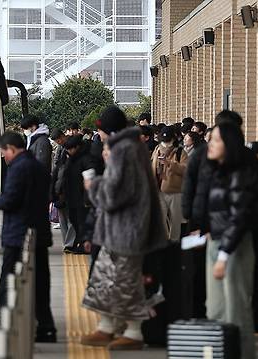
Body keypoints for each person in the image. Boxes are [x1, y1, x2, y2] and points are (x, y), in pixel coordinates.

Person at [80, 105, 168, 350]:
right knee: (106, 278)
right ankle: (107, 326)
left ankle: (133, 331)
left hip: (127, 231)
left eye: (101, 131)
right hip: (120, 230)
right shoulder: (129, 147)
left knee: (125, 281)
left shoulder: (123, 151)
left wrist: (92, 185)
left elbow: (114, 194)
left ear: (108, 130)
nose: (99, 136)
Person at [0, 132, 57, 343]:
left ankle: (8, 327)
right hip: (40, 233)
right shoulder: (38, 167)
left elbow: (10, 201)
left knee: (8, 282)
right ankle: (46, 326)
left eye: (4, 152)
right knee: (40, 282)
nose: (3, 156)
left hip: (18, 234)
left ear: (12, 149)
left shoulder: (18, 169)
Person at [206, 121, 258, 359]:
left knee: (236, 312)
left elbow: (239, 216)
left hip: (234, 248)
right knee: (217, 309)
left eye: (216, 140)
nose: (210, 144)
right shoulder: (219, 170)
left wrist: (224, 253)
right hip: (218, 243)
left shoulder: (241, 173)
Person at [151, 126, 188, 243]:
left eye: (168, 140)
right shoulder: (157, 149)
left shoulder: (180, 152)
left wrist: (169, 164)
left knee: (175, 221)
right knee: (160, 219)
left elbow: (185, 169)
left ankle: (174, 244)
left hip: (175, 190)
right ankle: (163, 242)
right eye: (164, 140)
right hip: (158, 189)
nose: (166, 144)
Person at [63, 135, 95, 254]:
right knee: (75, 220)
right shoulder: (71, 158)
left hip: (82, 198)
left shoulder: (86, 158)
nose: (69, 151)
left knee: (82, 222)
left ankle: (83, 245)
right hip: (72, 196)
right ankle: (79, 242)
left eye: (71, 149)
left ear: (77, 147)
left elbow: (90, 175)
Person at [51, 129, 76, 248]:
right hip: (60, 186)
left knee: (70, 216)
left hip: (69, 186)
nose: (58, 142)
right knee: (62, 217)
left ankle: (70, 242)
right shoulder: (60, 148)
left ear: (62, 136)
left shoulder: (70, 145)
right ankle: (67, 242)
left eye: (59, 140)